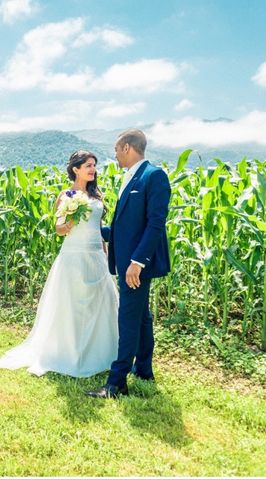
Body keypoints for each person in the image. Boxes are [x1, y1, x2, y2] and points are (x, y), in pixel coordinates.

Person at [0, 150, 119, 377]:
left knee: (102, 303)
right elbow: (59, 230)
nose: (93, 169)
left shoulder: (96, 195)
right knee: (71, 305)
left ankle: (101, 352)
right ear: (76, 169)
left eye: (94, 165)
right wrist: (71, 217)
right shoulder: (66, 195)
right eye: (88, 165)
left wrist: (106, 253)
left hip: (96, 255)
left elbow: (98, 230)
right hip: (73, 256)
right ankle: (67, 352)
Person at [86, 128, 171, 399]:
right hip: (126, 261)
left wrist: (138, 262)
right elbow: (126, 226)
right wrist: (93, 230)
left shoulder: (153, 176)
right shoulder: (130, 177)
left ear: (127, 147)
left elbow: (156, 223)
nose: (114, 155)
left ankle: (116, 382)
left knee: (128, 318)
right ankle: (144, 369)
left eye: (115, 150)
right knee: (142, 316)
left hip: (136, 265)